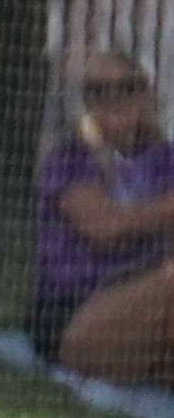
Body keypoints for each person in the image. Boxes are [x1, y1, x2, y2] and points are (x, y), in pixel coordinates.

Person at [35, 53, 174, 388]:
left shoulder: (167, 161)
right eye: (98, 90)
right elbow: (105, 228)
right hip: (75, 316)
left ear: (146, 94)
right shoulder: (71, 158)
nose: (113, 97)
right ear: (86, 100)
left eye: (126, 87)